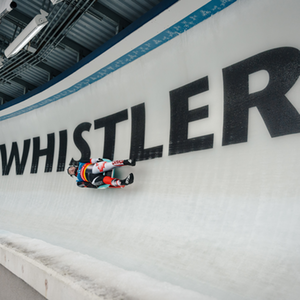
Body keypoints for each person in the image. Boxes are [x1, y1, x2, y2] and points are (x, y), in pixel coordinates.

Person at [67, 158, 136, 189]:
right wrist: (96, 186)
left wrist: (99, 160)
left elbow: (91, 160)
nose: (72, 170)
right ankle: (123, 182)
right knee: (104, 179)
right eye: (70, 171)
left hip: (94, 168)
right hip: (93, 179)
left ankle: (127, 162)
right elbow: (87, 185)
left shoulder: (81, 163)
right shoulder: (78, 181)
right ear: (71, 174)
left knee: (108, 165)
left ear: (73, 166)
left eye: (71, 168)